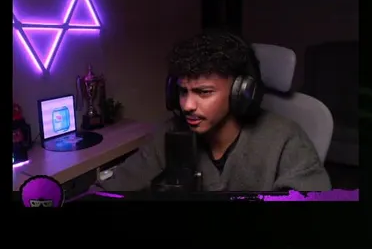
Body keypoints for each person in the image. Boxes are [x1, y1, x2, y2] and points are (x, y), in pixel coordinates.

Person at [96, 31, 331, 193]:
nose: (187, 105)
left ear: (241, 92)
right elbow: (108, 189)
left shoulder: (285, 139)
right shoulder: (170, 134)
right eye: (183, 91)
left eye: (204, 92)